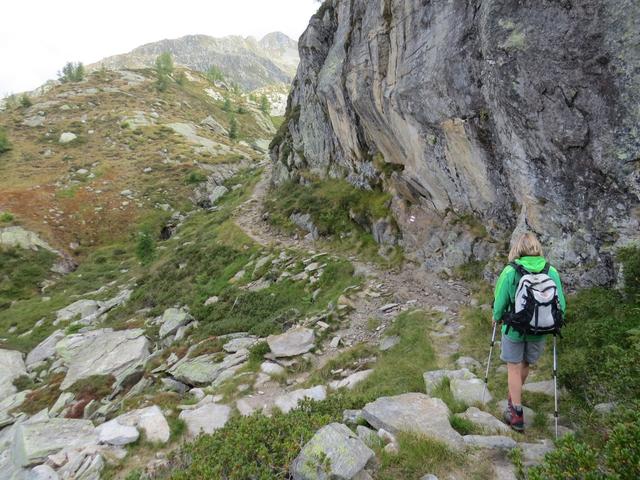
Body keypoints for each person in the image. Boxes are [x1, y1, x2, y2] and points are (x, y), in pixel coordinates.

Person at [492, 232, 566, 431]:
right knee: (525, 364)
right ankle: (514, 399)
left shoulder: (510, 271)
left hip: (515, 328)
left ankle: (516, 413)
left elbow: (500, 302)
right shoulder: (551, 271)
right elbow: (561, 305)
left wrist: (496, 316)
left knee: (513, 367)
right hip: (539, 329)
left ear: (518, 249)